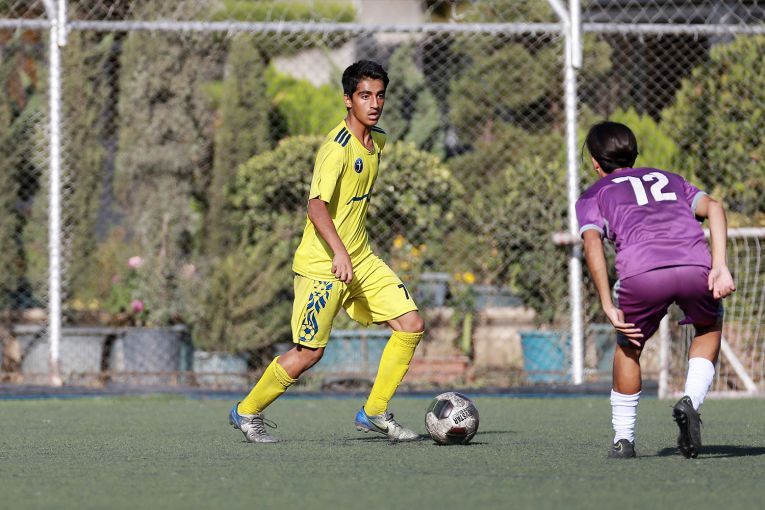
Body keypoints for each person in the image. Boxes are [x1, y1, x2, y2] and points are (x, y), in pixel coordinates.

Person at [228, 60, 424, 443]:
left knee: (411, 325)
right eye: (364, 96)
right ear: (348, 99)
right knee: (309, 353)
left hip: (361, 258)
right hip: (324, 266)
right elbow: (316, 206)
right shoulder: (336, 150)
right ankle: (247, 411)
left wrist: (351, 252)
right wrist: (339, 252)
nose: (374, 104)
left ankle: (374, 411)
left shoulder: (378, 141)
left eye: (379, 95)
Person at [576, 121, 735, 459]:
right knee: (708, 327)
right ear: (634, 154)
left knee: (629, 347)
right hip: (694, 266)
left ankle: (623, 441)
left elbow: (592, 244)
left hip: (642, 274)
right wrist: (719, 265)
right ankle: (690, 400)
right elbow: (715, 207)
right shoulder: (670, 179)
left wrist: (606, 302)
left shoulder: (594, 194)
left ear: (595, 162)